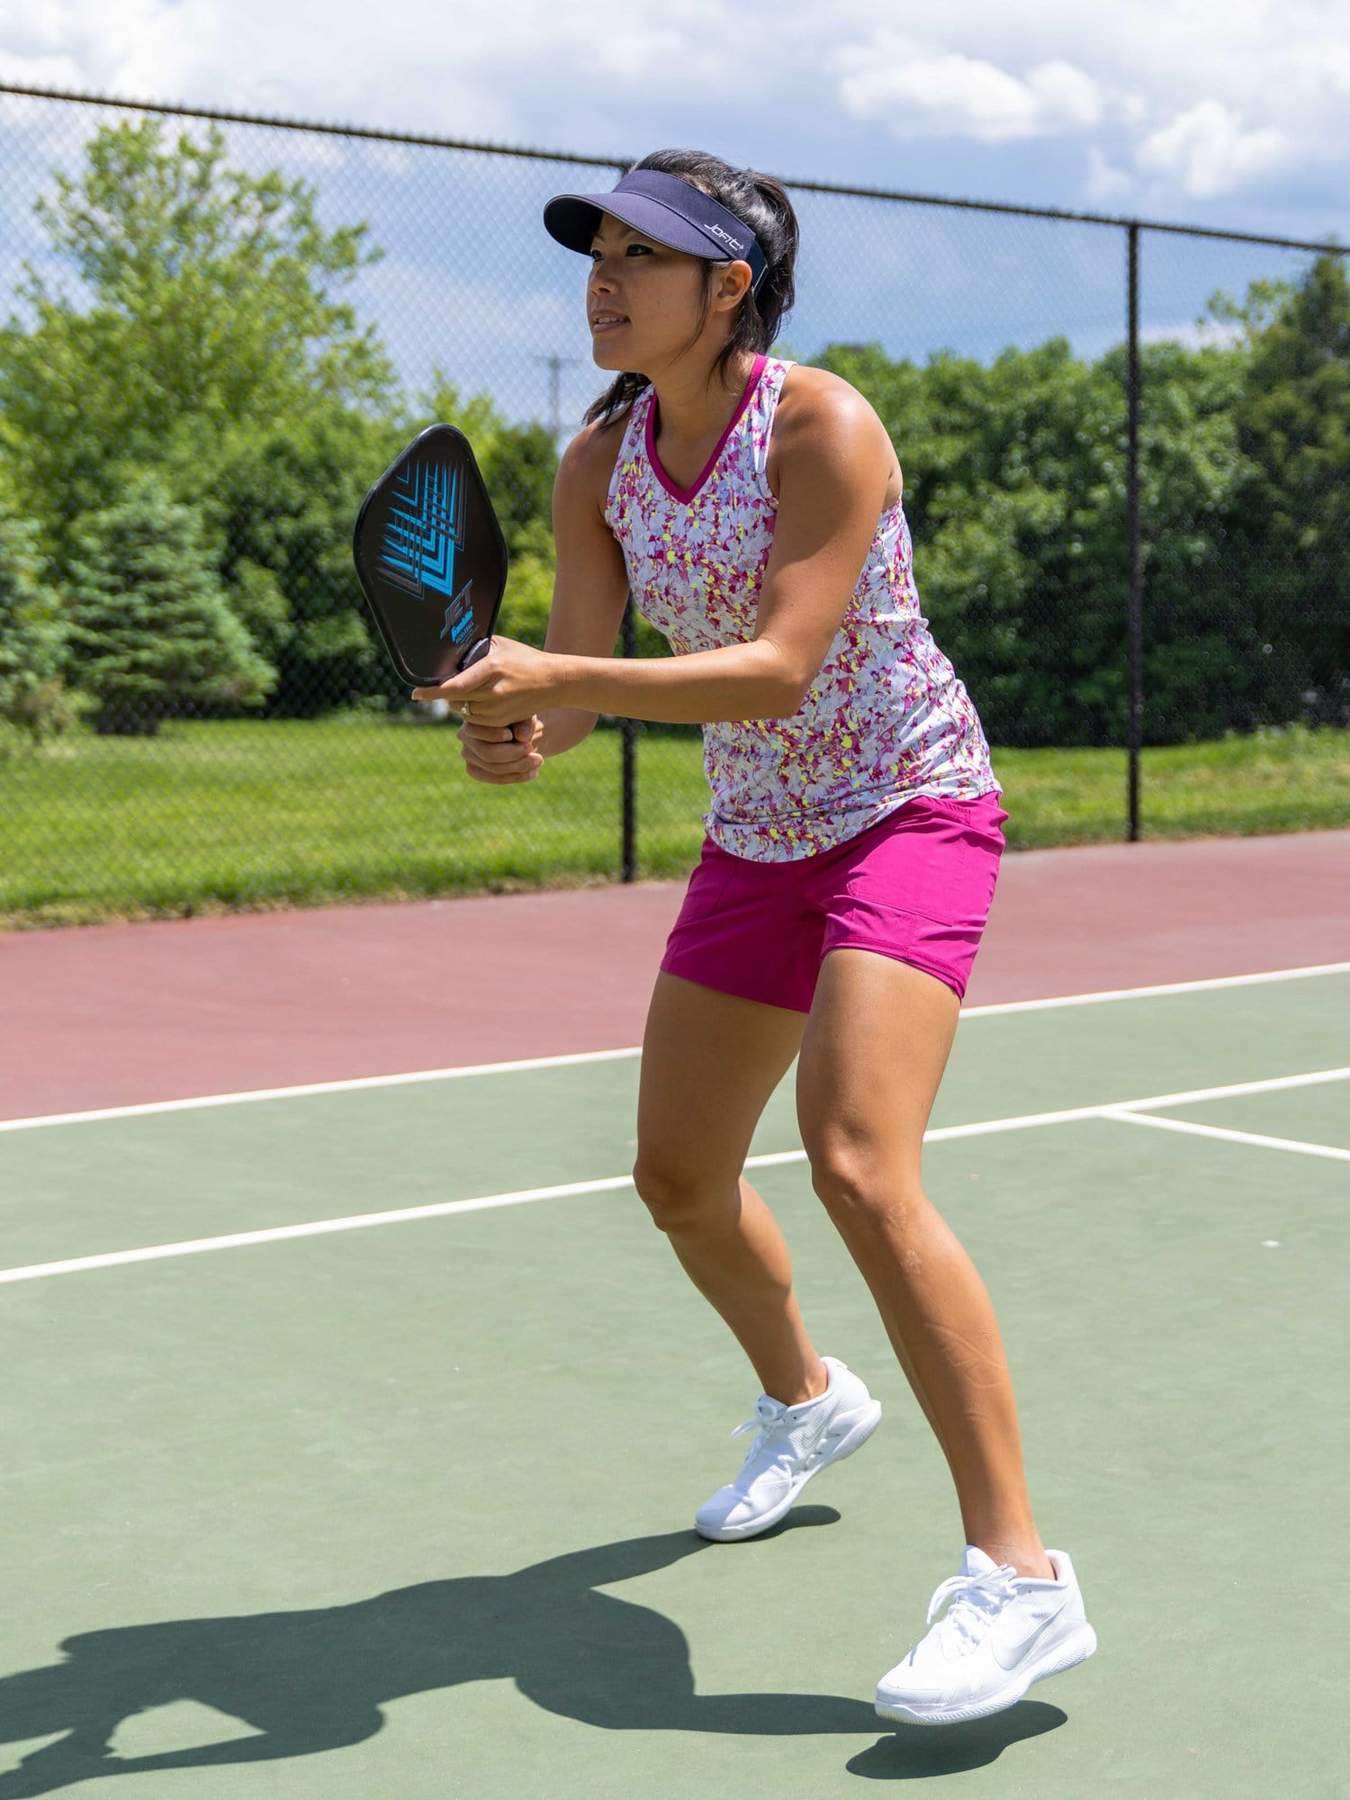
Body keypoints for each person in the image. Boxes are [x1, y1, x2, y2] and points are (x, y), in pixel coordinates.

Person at [413, 149, 1097, 1729]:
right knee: (676, 1180)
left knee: (857, 1158)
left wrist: (545, 676)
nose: (601, 275)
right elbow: (583, 687)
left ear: (729, 285)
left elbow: (782, 665)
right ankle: (806, 1398)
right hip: (758, 833)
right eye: (593, 249)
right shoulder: (598, 460)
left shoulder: (820, 426)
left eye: (640, 256)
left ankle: (1019, 1580)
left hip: (906, 806)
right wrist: (521, 722)